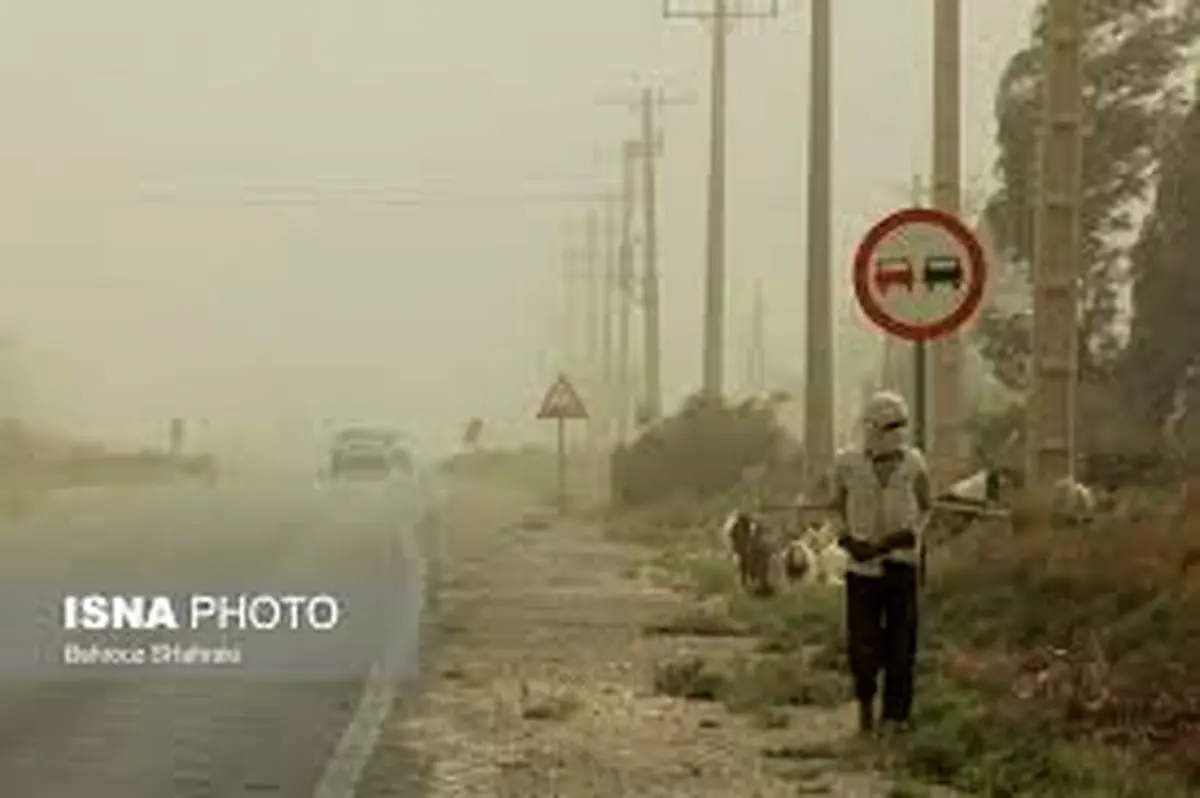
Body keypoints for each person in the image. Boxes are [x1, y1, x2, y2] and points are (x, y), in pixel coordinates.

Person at [830, 390, 932, 736]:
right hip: (861, 570)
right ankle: (865, 707)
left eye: (899, 425)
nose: (894, 433)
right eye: (888, 425)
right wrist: (847, 540)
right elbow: (835, 507)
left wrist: (909, 536)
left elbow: (926, 506)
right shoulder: (847, 464)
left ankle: (896, 719)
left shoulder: (914, 463)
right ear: (871, 426)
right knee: (862, 644)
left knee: (901, 646)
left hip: (901, 566)